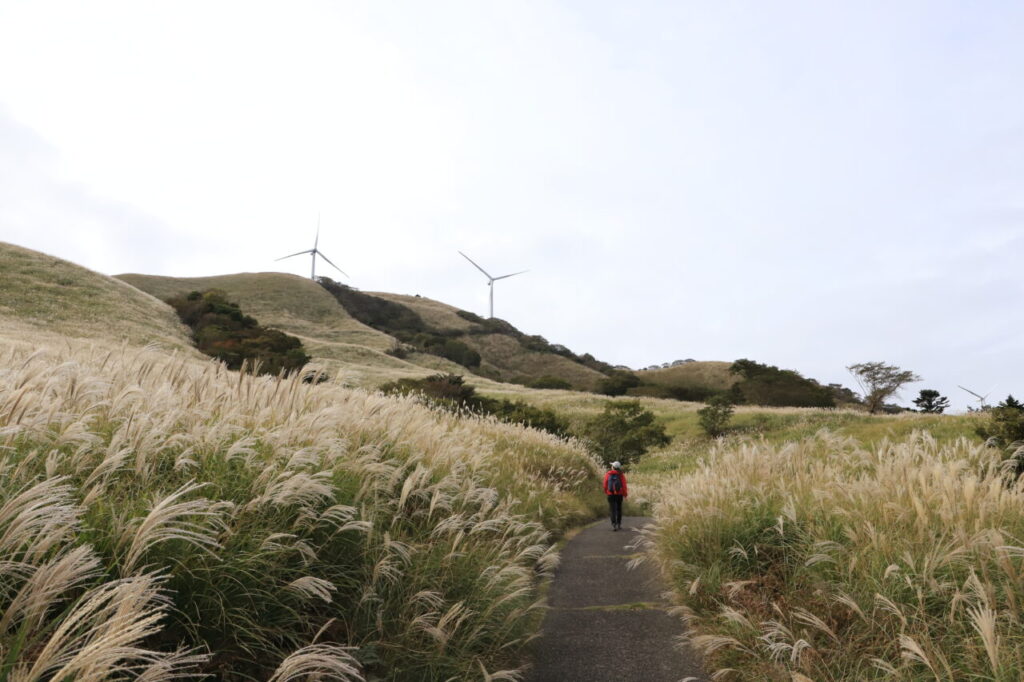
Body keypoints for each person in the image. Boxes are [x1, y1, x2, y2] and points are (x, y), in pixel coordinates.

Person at [603, 461, 628, 530]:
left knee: (612, 509)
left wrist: (606, 492)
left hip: (610, 494)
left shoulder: (608, 474)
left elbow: (605, 484)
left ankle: (614, 524)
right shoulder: (621, 475)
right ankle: (619, 524)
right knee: (619, 509)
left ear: (613, 467)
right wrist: (625, 494)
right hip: (619, 494)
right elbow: (624, 485)